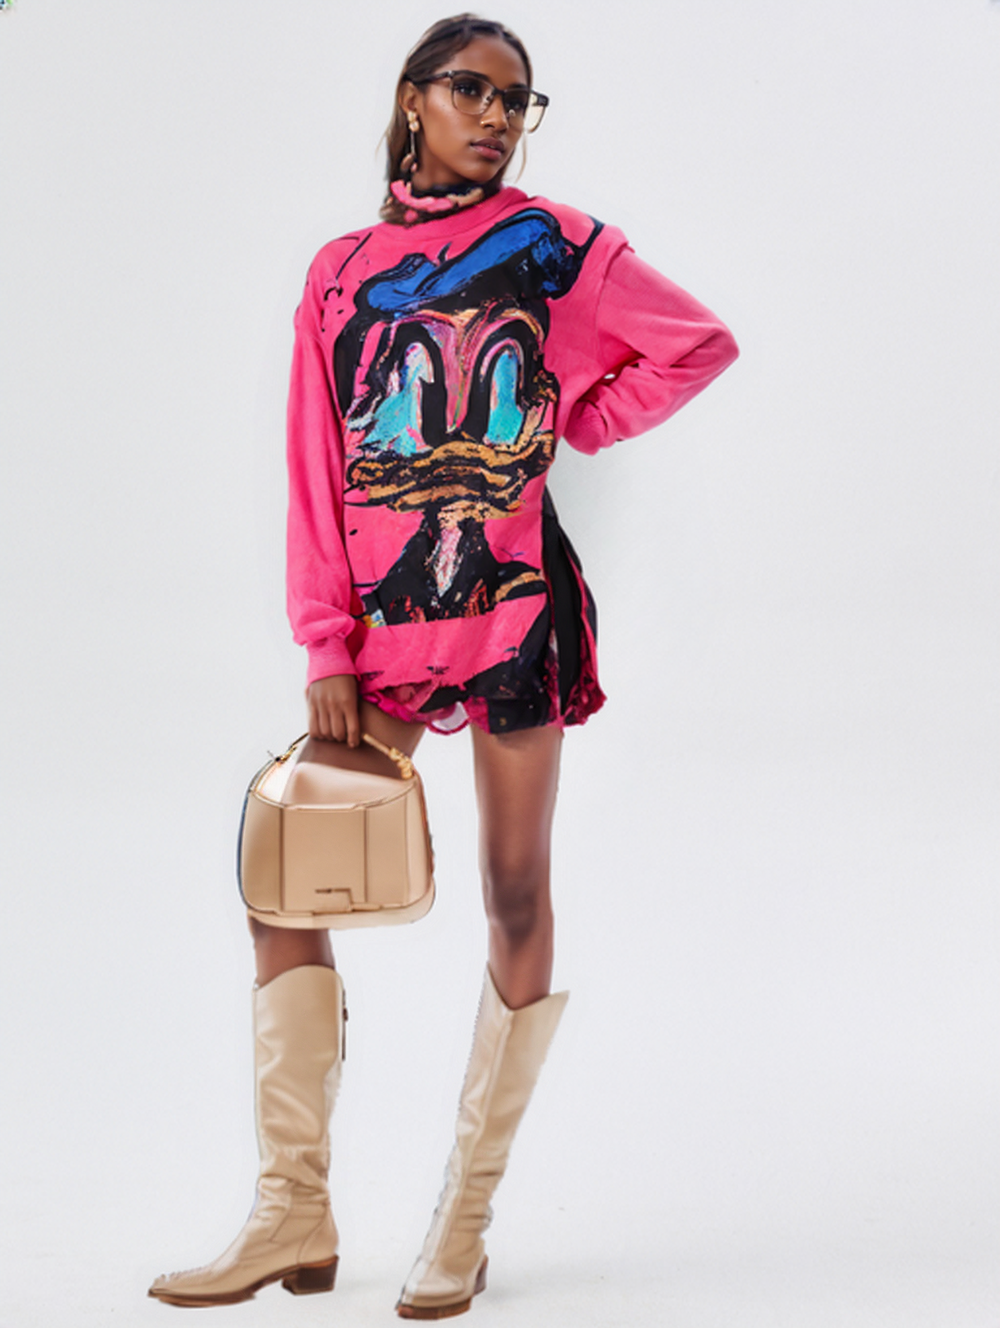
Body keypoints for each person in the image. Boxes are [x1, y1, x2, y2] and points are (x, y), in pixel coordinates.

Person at [148, 12, 738, 1318]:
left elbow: (695, 343)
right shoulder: (341, 272)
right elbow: (315, 462)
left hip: (515, 610)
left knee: (514, 892)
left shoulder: (556, 245)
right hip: (387, 625)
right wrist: (325, 639)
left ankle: (460, 1227)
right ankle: (292, 1213)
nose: (497, 116)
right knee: (285, 883)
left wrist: (574, 420)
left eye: (518, 100)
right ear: (413, 98)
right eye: (472, 89)